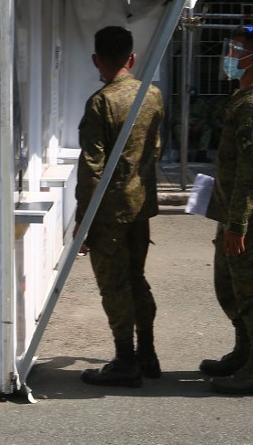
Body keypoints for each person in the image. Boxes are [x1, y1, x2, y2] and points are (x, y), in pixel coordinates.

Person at [76, 26, 164, 388]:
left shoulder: (101, 103)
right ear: (132, 58)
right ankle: (147, 352)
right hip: (140, 204)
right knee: (136, 279)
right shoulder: (153, 95)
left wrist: (84, 224)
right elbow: (154, 149)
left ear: (97, 60)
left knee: (114, 285)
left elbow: (92, 169)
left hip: (110, 211)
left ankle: (125, 360)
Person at [202, 25, 253, 396]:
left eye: (235, 50)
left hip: (247, 217)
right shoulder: (246, 97)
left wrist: (238, 224)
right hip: (233, 214)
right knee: (230, 286)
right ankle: (243, 350)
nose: (229, 56)